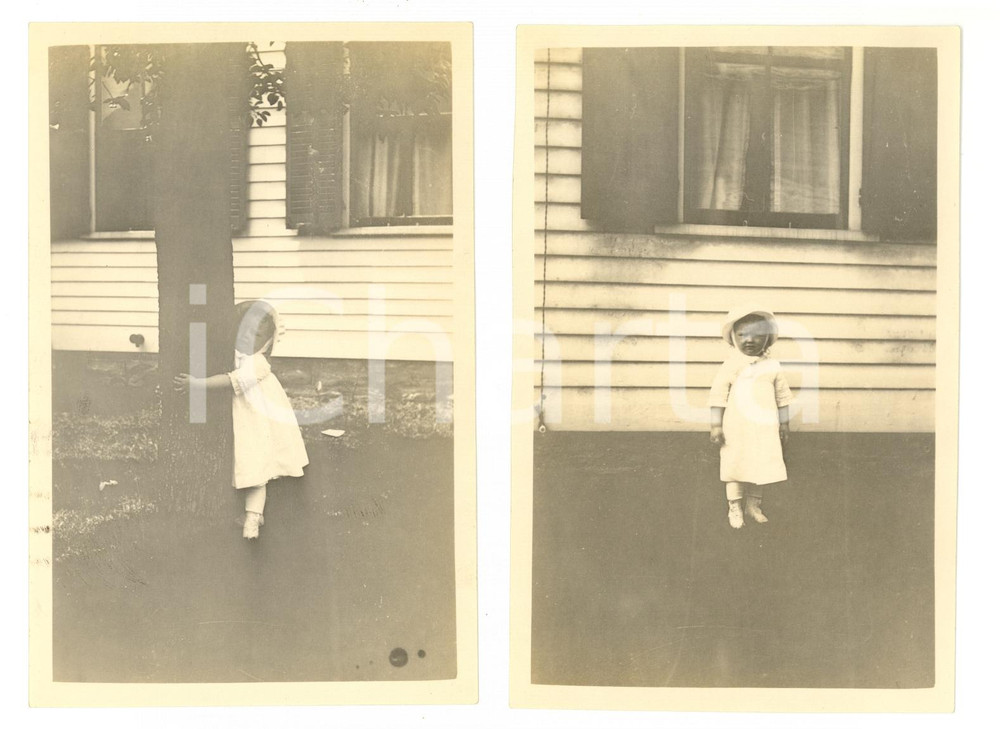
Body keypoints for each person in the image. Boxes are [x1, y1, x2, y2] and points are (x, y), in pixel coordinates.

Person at [174, 300, 309, 539]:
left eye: (256, 334)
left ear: (267, 343)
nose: (248, 337)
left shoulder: (258, 364)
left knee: (256, 466)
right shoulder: (233, 355)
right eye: (244, 331)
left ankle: (252, 519)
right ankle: (253, 515)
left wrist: (197, 384)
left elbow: (230, 381)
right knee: (251, 464)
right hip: (245, 418)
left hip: (256, 422)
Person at [708, 306, 793, 529]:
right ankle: (734, 507)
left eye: (757, 335)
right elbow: (718, 396)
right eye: (742, 335)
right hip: (736, 427)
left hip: (765, 427)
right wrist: (716, 425)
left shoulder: (773, 367)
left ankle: (753, 506)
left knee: (761, 465)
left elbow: (782, 397)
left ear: (767, 339)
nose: (749, 340)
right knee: (735, 464)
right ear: (733, 338)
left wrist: (784, 424)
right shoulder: (731, 366)